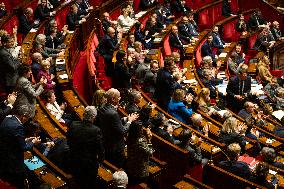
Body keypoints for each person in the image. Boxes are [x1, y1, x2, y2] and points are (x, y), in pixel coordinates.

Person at [0, 104, 41, 189]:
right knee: (19, 183)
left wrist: (25, 140)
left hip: (4, 156)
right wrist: (33, 142)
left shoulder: (8, 118)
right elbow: (23, 148)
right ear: (24, 116)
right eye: (28, 118)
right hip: (14, 162)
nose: (27, 120)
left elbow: (11, 139)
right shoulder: (18, 126)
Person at [99, 88, 138, 168]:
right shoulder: (113, 113)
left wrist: (125, 119)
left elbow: (112, 123)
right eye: (119, 97)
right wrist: (129, 121)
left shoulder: (103, 107)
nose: (120, 98)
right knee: (118, 167)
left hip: (106, 143)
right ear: (113, 99)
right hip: (115, 148)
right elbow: (123, 131)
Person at [67, 106, 104, 188]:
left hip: (74, 160)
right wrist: (100, 162)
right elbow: (100, 150)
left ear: (83, 114)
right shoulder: (96, 130)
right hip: (88, 165)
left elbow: (68, 141)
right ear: (94, 117)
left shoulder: (73, 124)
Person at [126, 121, 154, 185]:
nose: (142, 129)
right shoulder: (140, 141)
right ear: (138, 130)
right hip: (139, 170)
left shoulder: (129, 135)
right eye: (141, 128)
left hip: (131, 165)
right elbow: (150, 153)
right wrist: (149, 139)